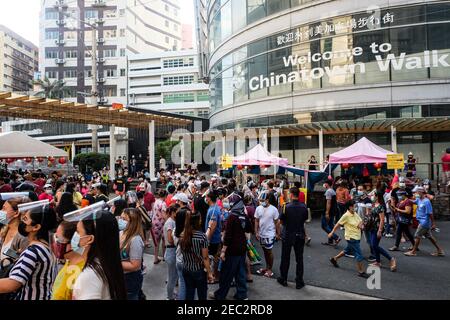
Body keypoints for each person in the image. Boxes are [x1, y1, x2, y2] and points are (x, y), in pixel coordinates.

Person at [0, 202, 57, 299]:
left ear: (36, 227)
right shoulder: (45, 247)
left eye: (25, 219)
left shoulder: (34, 251)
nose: (22, 222)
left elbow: (12, 283)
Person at [71, 211, 127, 300]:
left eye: (78, 232)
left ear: (90, 239)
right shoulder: (106, 262)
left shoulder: (89, 276)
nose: (74, 236)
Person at [212, 192, 252, 300]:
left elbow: (228, 236)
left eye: (230, 202)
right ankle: (242, 294)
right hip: (242, 247)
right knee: (240, 272)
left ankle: (220, 295)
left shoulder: (232, 217)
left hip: (232, 249)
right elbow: (249, 228)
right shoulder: (243, 215)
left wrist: (223, 250)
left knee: (226, 274)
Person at [277, 187, 309, 289]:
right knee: (299, 259)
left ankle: (284, 278)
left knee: (285, 258)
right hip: (299, 234)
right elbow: (304, 221)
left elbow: (281, 221)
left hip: (288, 234)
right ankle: (299, 281)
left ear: (291, 195)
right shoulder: (304, 207)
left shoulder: (286, 206)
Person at [328, 200, 369, 278]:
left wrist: (362, 225)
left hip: (357, 236)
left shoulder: (355, 214)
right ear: (350, 207)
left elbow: (360, 223)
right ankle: (361, 272)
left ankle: (334, 259)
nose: (356, 207)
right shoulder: (346, 215)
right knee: (359, 254)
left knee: (348, 250)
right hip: (351, 237)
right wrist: (332, 232)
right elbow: (338, 224)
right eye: (354, 206)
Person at [179, 209, 212, 300]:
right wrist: (209, 273)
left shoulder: (182, 235)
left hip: (186, 268)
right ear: (198, 221)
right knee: (202, 294)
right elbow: (205, 257)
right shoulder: (202, 237)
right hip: (198, 270)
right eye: (200, 219)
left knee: (189, 293)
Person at [405, 187, 445, 257]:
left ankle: (413, 251)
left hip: (424, 222)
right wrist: (407, 199)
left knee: (417, 236)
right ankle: (440, 250)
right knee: (429, 236)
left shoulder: (426, 201)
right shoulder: (419, 199)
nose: (416, 194)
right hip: (422, 221)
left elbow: (430, 213)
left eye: (417, 192)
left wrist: (433, 223)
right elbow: (413, 201)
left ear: (421, 192)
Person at [51, 221, 85, 300]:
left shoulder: (81, 270)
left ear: (73, 242)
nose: (55, 244)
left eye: (58, 239)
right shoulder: (68, 262)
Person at [365, 192, 397, 271]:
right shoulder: (373, 205)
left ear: (377, 196)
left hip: (377, 228)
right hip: (372, 228)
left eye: (373, 195)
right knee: (374, 245)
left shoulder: (380, 207)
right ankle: (378, 262)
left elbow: (382, 219)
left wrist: (380, 230)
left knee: (374, 245)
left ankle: (391, 259)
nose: (372, 196)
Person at [119, 208, 145, 300]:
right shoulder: (121, 233)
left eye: (123, 219)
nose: (120, 221)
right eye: (120, 218)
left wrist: (114, 262)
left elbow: (135, 265)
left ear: (131, 222)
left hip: (130, 280)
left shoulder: (136, 240)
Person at [254, 192, 280, 278]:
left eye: (262, 200)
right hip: (261, 234)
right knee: (265, 251)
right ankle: (267, 267)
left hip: (270, 234)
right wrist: (256, 231)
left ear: (267, 200)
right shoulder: (258, 208)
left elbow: (277, 222)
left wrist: (277, 233)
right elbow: (256, 220)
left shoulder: (274, 209)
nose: (261, 202)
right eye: (260, 200)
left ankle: (270, 269)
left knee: (269, 251)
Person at [205, 189, 222, 283]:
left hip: (213, 239)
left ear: (210, 198)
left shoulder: (213, 210)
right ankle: (215, 275)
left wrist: (207, 239)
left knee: (213, 258)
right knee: (214, 257)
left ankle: (214, 276)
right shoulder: (214, 207)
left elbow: (213, 226)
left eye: (206, 196)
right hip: (214, 238)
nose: (205, 198)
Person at [163, 205, 178, 300]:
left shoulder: (173, 222)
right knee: (172, 278)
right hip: (171, 250)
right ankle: (170, 296)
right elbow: (169, 239)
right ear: (173, 212)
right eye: (177, 211)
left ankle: (172, 294)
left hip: (172, 251)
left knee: (172, 277)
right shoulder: (170, 223)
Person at [321, 180, 340, 246]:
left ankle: (336, 237)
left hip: (328, 211)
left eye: (325, 184)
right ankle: (330, 241)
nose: (324, 185)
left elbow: (328, 203)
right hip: (332, 211)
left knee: (324, 226)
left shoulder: (328, 191)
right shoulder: (332, 191)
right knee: (330, 225)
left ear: (327, 184)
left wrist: (327, 213)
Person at [151, 189, 167, 264]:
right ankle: (164, 256)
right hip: (162, 224)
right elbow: (164, 216)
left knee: (156, 241)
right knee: (164, 240)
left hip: (154, 222)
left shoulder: (156, 201)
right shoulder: (163, 203)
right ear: (165, 196)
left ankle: (155, 258)